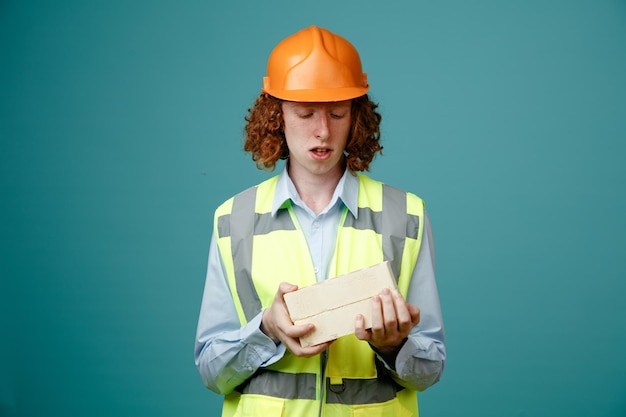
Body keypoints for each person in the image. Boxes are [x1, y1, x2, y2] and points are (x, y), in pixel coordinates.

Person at [194, 25, 445, 416]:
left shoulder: (407, 216)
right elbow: (212, 370)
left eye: (337, 113)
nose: (323, 130)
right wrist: (266, 330)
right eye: (305, 113)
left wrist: (394, 346)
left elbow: (430, 370)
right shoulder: (233, 220)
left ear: (355, 117)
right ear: (276, 115)